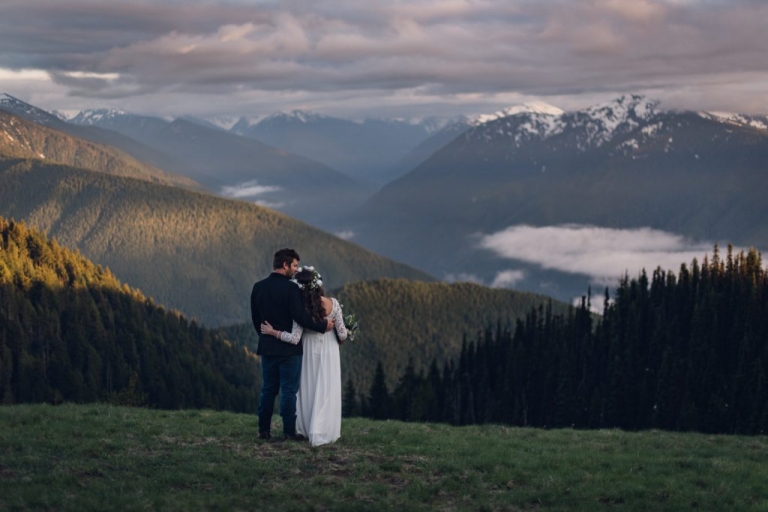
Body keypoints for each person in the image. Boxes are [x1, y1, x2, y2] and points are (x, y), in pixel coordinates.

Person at [250, 249, 333, 441]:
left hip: (268, 347)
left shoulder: (258, 287)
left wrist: (267, 337)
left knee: (268, 389)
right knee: (288, 391)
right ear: (285, 265)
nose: (296, 270)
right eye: (294, 265)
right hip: (289, 350)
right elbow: (300, 317)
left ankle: (263, 431)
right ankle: (288, 432)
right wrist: (323, 326)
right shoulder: (291, 289)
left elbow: (256, 320)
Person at [261, 266, 347, 447]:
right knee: (326, 388)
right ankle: (324, 429)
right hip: (329, 351)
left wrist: (273, 332)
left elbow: (294, 338)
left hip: (307, 350)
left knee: (307, 389)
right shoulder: (334, 304)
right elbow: (343, 334)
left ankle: (307, 428)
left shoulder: (301, 309)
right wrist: (343, 337)